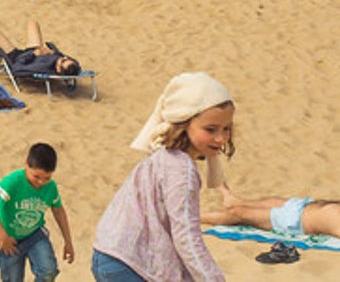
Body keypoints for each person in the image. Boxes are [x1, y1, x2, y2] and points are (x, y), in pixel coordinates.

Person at [91, 72, 233, 282]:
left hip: (109, 253)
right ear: (184, 124)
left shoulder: (163, 157)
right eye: (210, 129)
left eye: (227, 128)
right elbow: (186, 237)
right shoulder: (181, 170)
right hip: (127, 265)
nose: (221, 138)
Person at [200, 189, 340, 246]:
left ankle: (198, 217)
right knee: (265, 199)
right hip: (303, 205)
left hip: (296, 221)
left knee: (239, 216)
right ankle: (232, 197)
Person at [0, 142, 75, 282]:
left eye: (47, 178)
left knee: (49, 271)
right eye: (36, 176)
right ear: (26, 163)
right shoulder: (12, 182)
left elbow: (58, 210)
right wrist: (2, 236)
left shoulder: (50, 187)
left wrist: (68, 241)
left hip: (35, 235)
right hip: (9, 241)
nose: (41, 182)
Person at [0, 19, 83, 80]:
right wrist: (53, 52)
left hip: (17, 57)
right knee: (32, 22)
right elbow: (73, 63)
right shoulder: (69, 65)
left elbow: (18, 67)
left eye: (63, 61)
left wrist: (35, 54)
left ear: (59, 70)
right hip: (35, 51)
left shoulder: (41, 67)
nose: (64, 58)